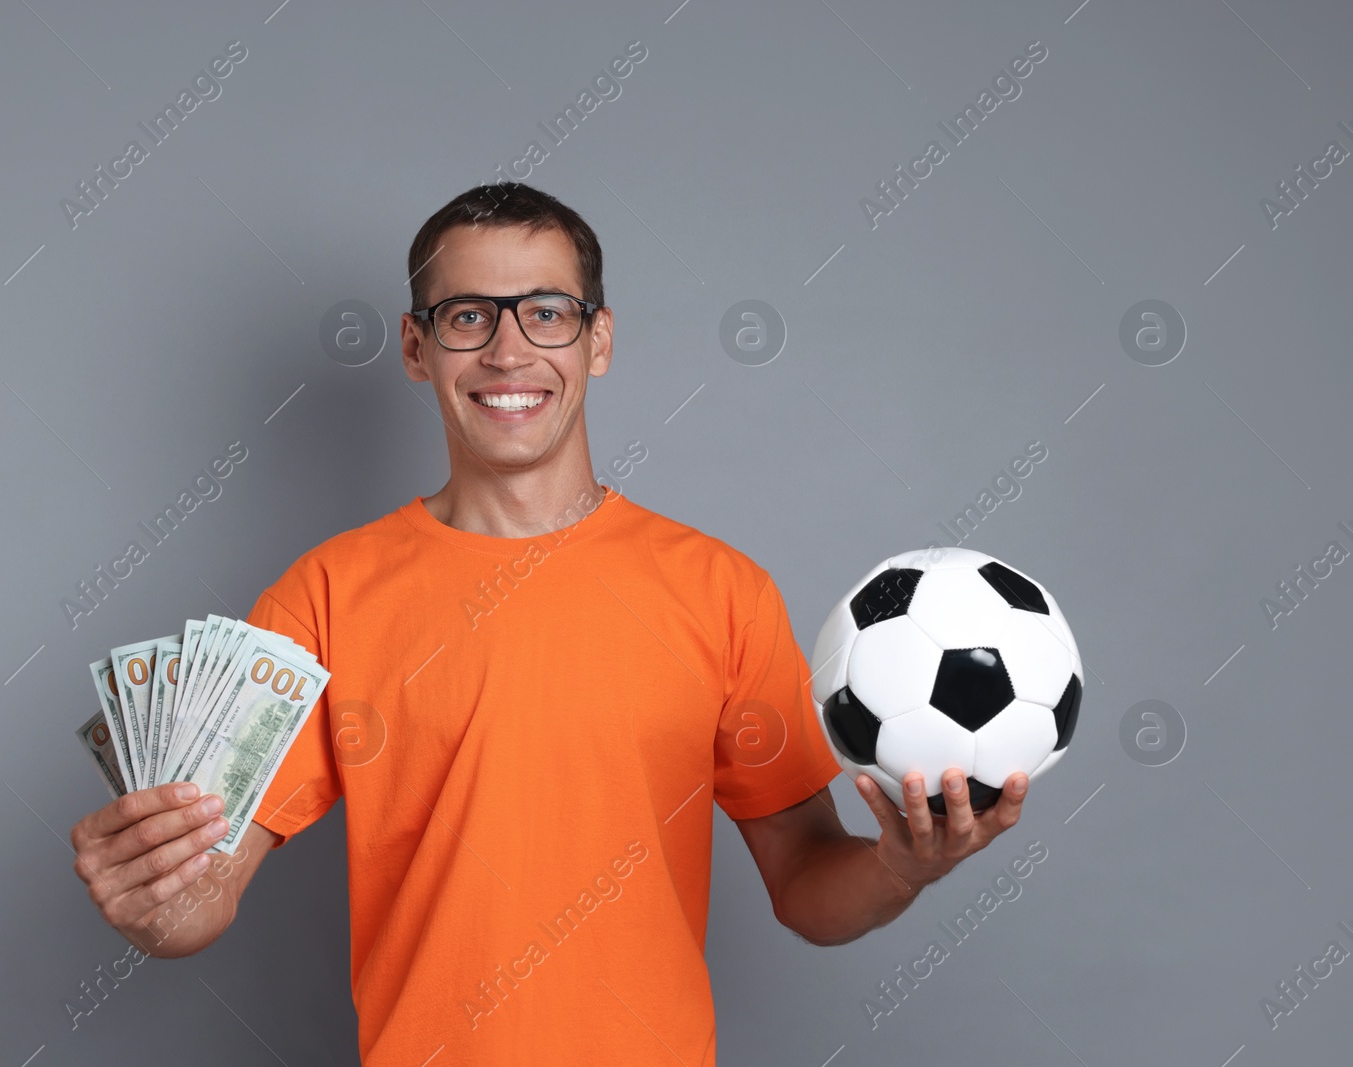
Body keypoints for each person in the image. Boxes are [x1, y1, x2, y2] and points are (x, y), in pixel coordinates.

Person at [68, 182, 1029, 1064]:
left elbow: (808, 891)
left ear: (597, 340)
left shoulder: (719, 589)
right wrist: (152, 903)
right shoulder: (325, 595)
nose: (508, 349)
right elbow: (201, 898)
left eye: (546, 312)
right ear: (415, 347)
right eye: (467, 316)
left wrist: (904, 868)